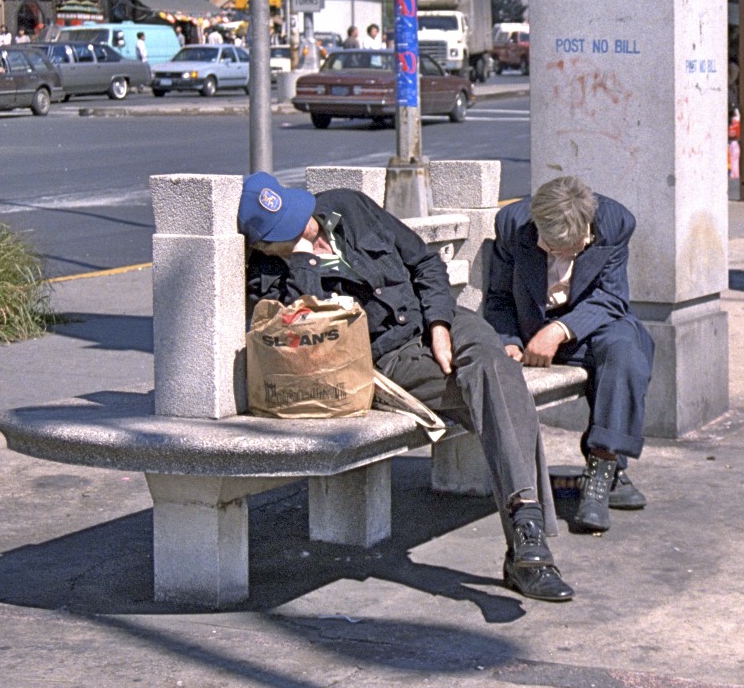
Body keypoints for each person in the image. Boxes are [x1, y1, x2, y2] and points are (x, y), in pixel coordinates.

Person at [239, 173, 574, 603]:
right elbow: (304, 333)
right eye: (283, 236)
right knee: (502, 394)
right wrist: (301, 265)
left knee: (493, 366)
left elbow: (425, 263)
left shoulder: (350, 207)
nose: (302, 231)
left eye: (298, 219)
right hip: (394, 360)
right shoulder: (269, 274)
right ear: (265, 246)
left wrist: (438, 324)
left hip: (442, 322)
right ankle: (529, 539)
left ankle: (527, 533)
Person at [484, 176, 655, 535]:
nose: (561, 256)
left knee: (626, 349)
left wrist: (561, 330)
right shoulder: (513, 224)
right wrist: (508, 339)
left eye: (572, 249)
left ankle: (601, 468)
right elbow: (498, 296)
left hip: (592, 321)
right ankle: (614, 479)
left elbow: (611, 297)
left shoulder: (615, 222)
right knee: (618, 355)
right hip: (533, 328)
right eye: (552, 248)